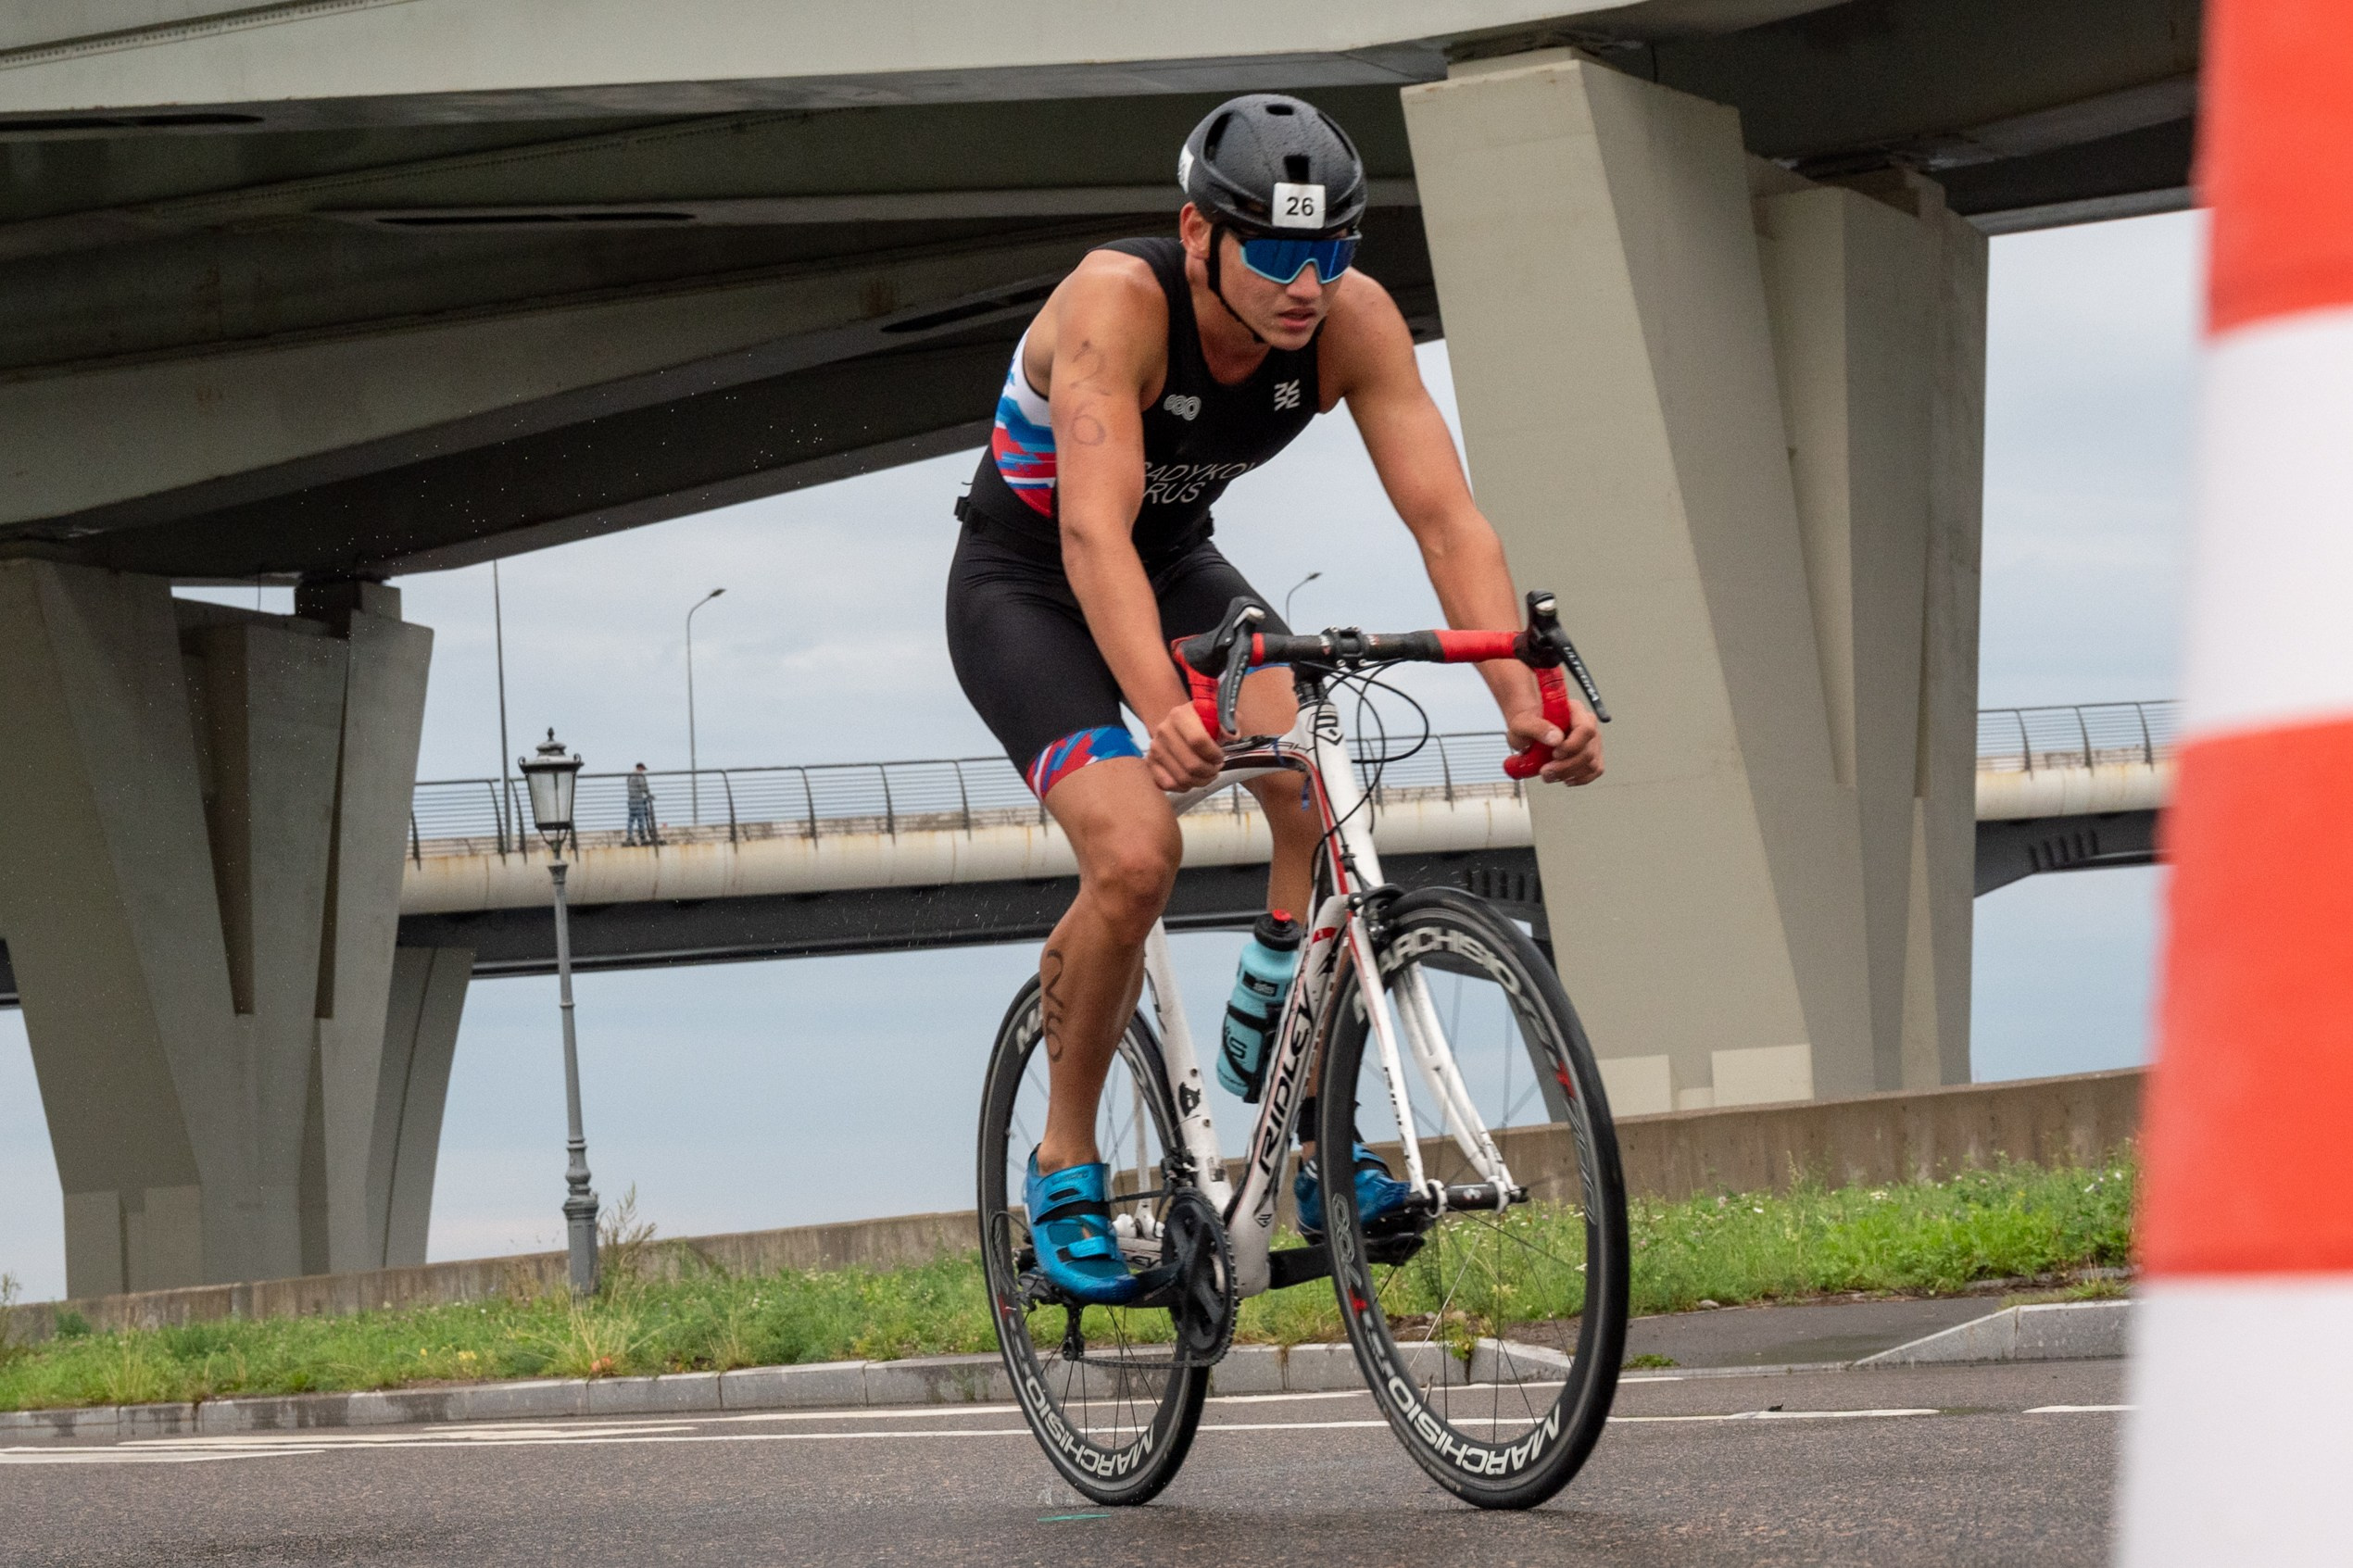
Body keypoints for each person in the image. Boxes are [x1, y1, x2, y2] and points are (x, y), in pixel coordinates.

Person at [943, 94, 1604, 1304]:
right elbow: (1089, 534)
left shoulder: (1350, 323)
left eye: (1334, 251)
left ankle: (1296, 1109)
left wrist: (1520, 682)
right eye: (1281, 252)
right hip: (1026, 586)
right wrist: (1162, 704)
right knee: (1137, 854)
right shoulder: (1117, 305)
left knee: (1318, 780)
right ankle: (1064, 1157)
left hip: (1177, 566)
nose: (1310, 283)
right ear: (1200, 235)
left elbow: (1446, 519)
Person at [625, 762, 659, 846]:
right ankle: (642, 838)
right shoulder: (639, 776)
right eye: (643, 769)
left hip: (631, 800)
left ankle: (629, 836)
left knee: (631, 819)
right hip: (638, 800)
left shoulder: (629, 776)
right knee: (641, 820)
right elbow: (643, 786)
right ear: (640, 768)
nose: (643, 771)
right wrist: (649, 795)